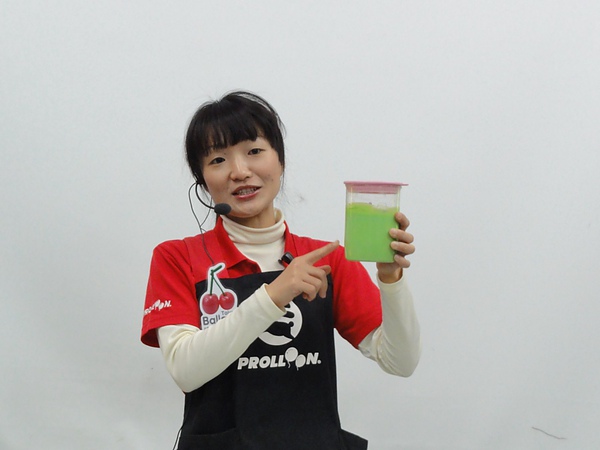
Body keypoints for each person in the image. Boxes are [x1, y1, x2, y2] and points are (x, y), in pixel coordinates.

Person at [141, 91, 421, 450]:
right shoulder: (177, 258)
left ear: (281, 161)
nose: (239, 171)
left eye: (254, 151)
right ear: (203, 178)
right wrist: (274, 294)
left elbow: (401, 362)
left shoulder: (328, 260)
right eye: (218, 159)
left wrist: (391, 280)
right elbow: (185, 370)